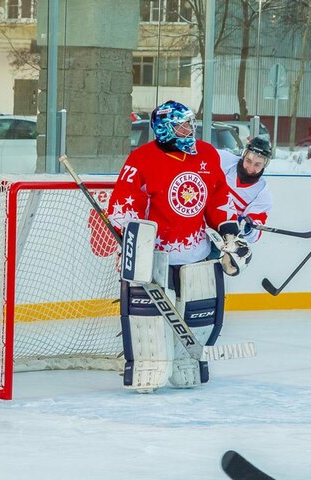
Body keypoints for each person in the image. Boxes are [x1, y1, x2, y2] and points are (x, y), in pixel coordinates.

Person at [105, 100, 249, 393]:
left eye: (191, 123)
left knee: (198, 312)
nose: (189, 129)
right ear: (164, 127)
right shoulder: (141, 159)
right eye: (182, 125)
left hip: (195, 253)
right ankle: (148, 366)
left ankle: (187, 364)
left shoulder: (207, 154)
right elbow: (123, 202)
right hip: (156, 255)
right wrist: (132, 239)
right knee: (149, 319)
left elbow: (218, 197)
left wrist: (230, 233)